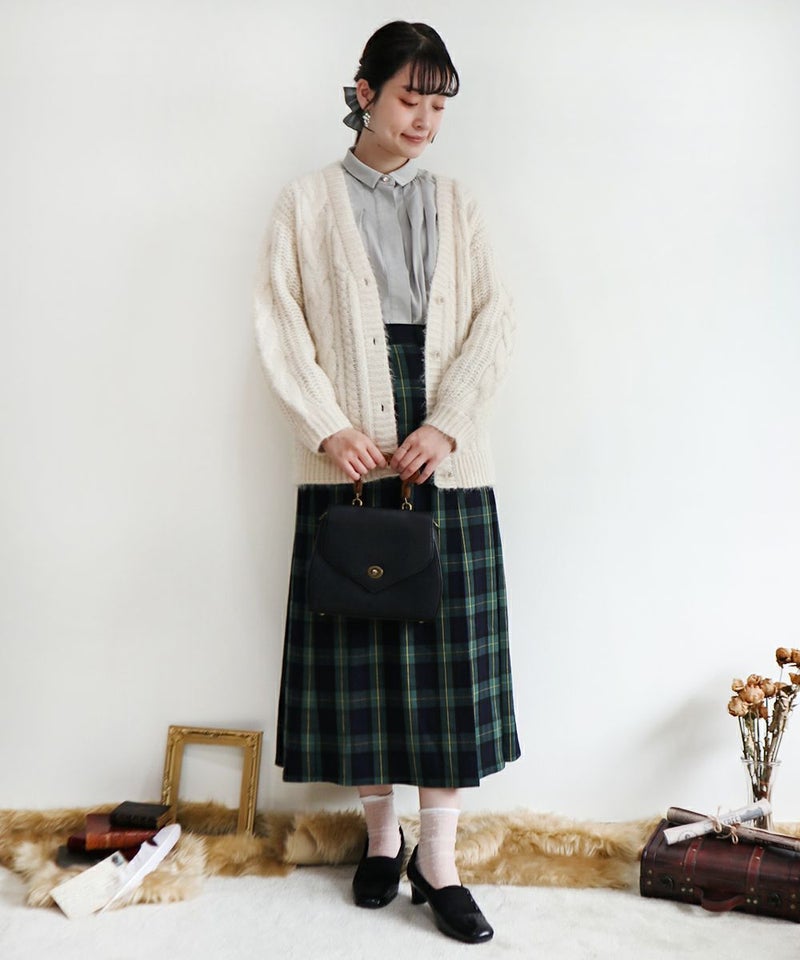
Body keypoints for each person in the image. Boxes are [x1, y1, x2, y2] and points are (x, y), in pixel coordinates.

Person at [254, 20, 520, 945]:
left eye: (439, 105)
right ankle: (381, 839)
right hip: (347, 445)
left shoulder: (460, 205)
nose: (425, 121)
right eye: (411, 98)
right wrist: (327, 426)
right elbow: (280, 323)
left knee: (449, 655)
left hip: (444, 445)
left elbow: (494, 321)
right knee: (360, 646)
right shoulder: (305, 203)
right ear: (363, 91)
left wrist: (449, 423)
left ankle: (438, 861)